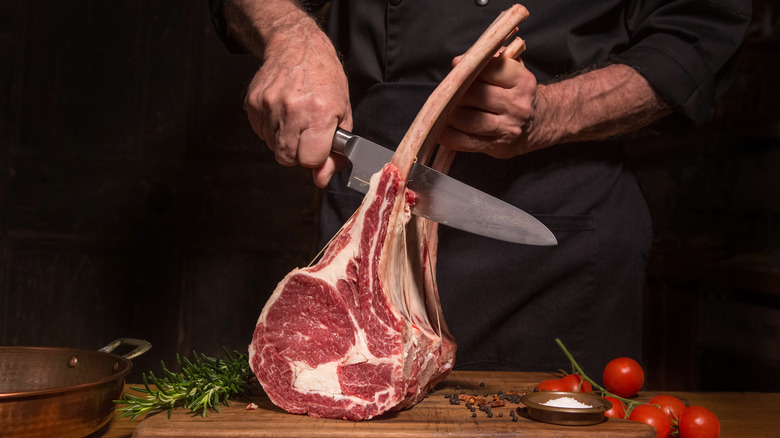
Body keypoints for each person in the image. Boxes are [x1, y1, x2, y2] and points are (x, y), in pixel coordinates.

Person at [210, 0, 751, 376]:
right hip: (372, 208)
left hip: (562, 225)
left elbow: (702, 29)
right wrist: (291, 33)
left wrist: (551, 114)